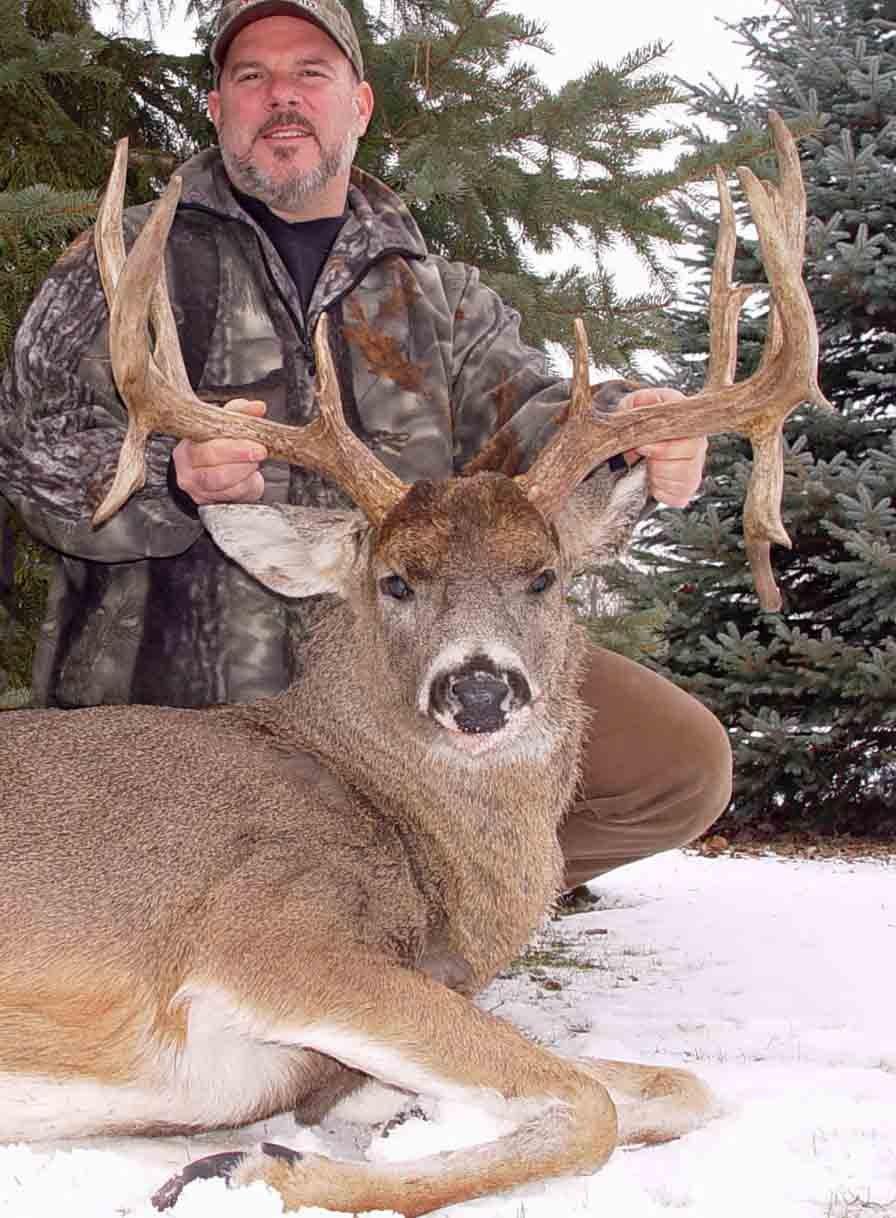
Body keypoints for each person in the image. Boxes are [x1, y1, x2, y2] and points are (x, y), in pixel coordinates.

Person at [0, 0, 731, 893]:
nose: (282, 96)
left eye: (311, 73)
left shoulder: (436, 294)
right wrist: (169, 477)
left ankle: (439, 899)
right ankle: (301, 917)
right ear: (217, 106)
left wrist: (630, 436)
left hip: (413, 657)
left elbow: (532, 430)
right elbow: (29, 452)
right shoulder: (123, 265)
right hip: (184, 700)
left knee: (674, 766)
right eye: (252, 76)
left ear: (360, 103)